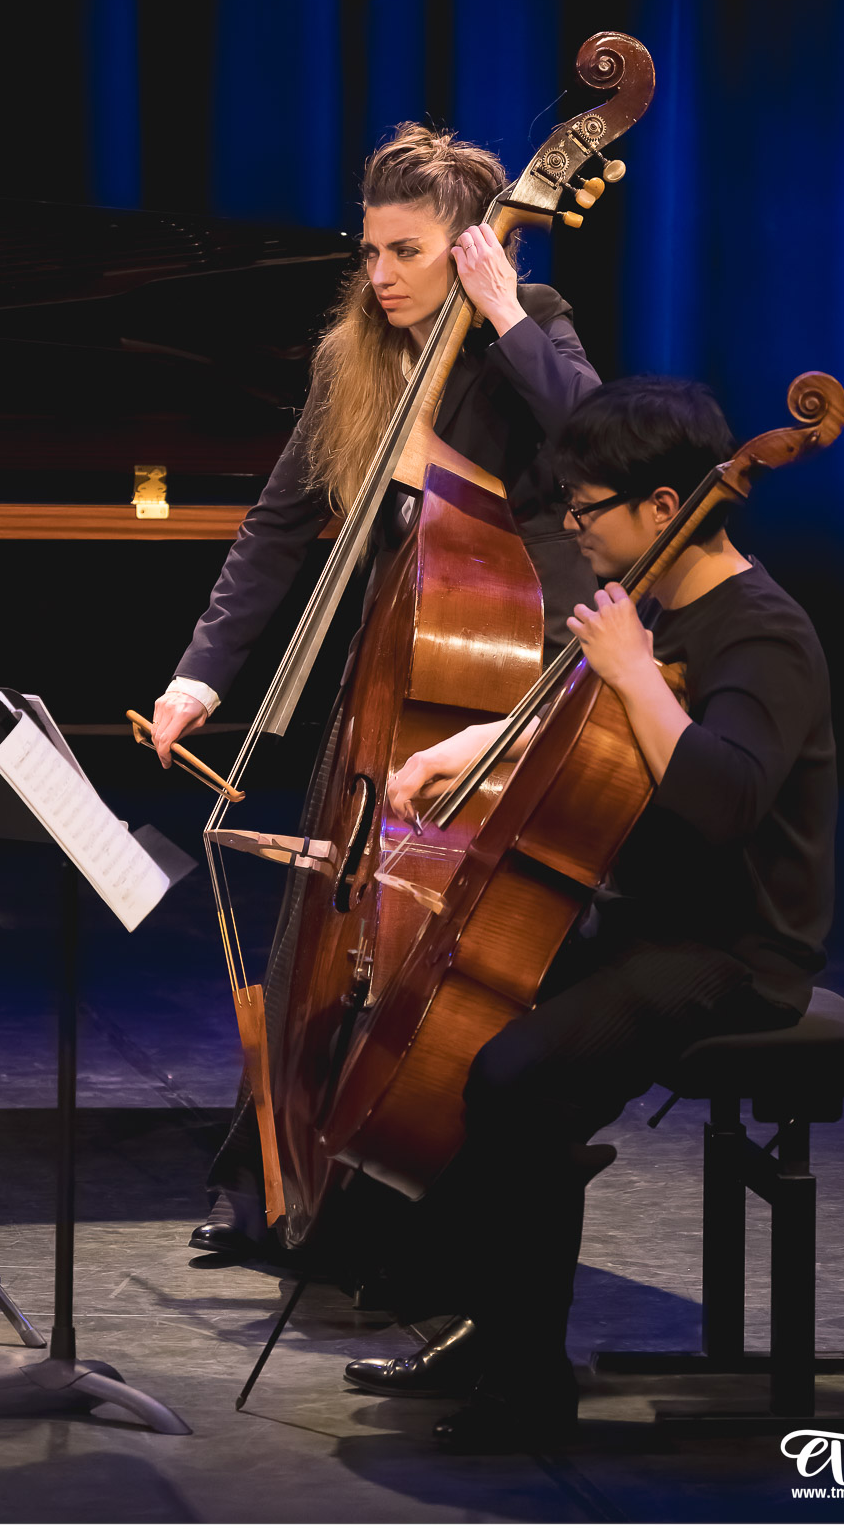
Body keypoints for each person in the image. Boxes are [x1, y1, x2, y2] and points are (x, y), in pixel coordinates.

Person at [345, 374, 837, 1451]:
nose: (572, 525)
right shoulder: (658, 610)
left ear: (664, 507)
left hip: (732, 946)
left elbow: (719, 802)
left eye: (586, 506)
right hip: (650, 917)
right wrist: (461, 749)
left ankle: (529, 1387)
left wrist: (632, 670)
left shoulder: (760, 635)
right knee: (463, 1034)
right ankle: (482, 1313)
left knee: (516, 1082)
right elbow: (577, 725)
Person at [151, 123, 602, 1254]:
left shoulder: (528, 328)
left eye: (404, 250)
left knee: (447, 950)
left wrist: (502, 315)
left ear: (470, 247)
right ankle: (276, 1172)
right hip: (400, 654)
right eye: (370, 250)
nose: (379, 273)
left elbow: (604, 445)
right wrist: (200, 677)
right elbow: (277, 526)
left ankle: (429, 1204)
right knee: (330, 912)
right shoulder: (349, 355)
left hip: (522, 657)